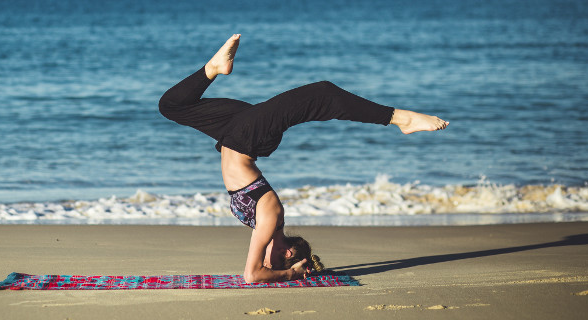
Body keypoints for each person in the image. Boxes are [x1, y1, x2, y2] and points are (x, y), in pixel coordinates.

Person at [158, 34, 449, 283]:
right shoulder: (271, 217)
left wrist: (292, 271)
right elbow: (252, 275)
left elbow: (254, 272)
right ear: (287, 252)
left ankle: (214, 68)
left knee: (171, 106)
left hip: (234, 133)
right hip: (248, 138)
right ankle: (401, 119)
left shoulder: (263, 227)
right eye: (272, 261)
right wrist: (290, 274)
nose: (263, 259)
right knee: (323, 92)